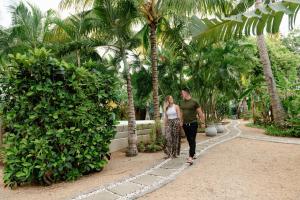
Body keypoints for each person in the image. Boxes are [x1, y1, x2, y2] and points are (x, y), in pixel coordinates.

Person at [180, 88, 205, 164]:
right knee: (189, 140)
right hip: (185, 124)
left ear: (187, 93)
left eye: (183, 93)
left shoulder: (194, 102)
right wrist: (181, 121)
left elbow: (200, 113)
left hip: (193, 123)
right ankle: (193, 153)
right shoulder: (181, 102)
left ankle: (190, 157)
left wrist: (203, 122)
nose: (182, 94)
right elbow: (181, 113)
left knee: (192, 139)